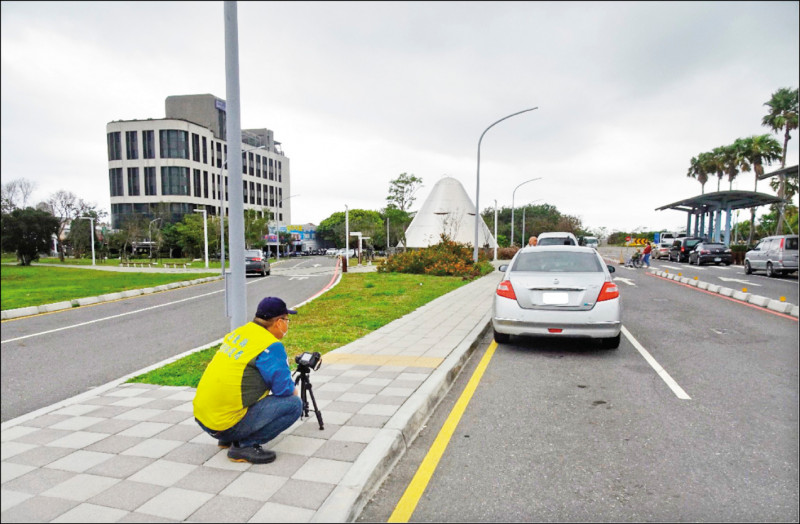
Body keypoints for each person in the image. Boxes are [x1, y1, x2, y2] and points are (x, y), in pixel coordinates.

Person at [193, 297, 302, 464]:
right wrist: (294, 391)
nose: (288, 324)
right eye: (287, 320)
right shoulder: (270, 346)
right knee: (294, 404)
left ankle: (228, 439)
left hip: (204, 418)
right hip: (224, 425)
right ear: (279, 322)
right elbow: (284, 390)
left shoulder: (240, 333)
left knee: (244, 387)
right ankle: (244, 446)